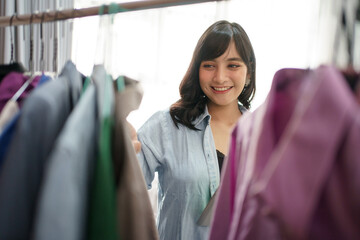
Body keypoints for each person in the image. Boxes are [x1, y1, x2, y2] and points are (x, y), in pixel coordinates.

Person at [132, 20, 256, 240]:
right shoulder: (167, 125)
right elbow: (126, 186)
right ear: (197, 69)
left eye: (233, 65)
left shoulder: (263, 134)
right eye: (209, 65)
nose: (220, 77)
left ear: (248, 73)